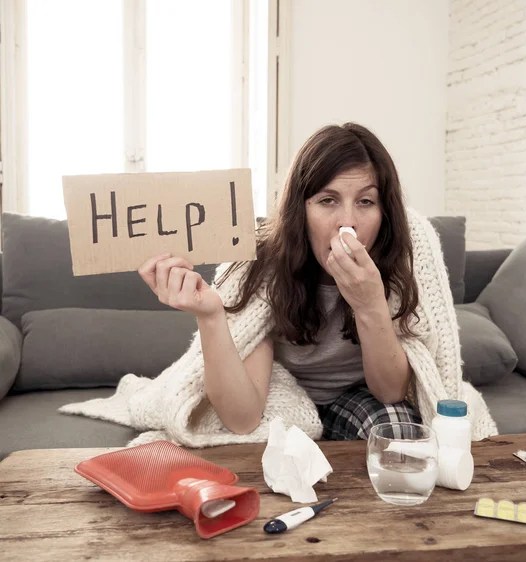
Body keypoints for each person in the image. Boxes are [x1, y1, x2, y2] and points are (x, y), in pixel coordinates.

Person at [137, 123, 496, 442]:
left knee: (401, 437)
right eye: (328, 200)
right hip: (281, 393)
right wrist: (211, 315)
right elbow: (242, 418)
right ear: (300, 209)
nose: (348, 223)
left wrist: (370, 304)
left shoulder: (407, 250)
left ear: (385, 211)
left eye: (366, 202)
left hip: (361, 394)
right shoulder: (259, 261)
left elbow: (391, 391)